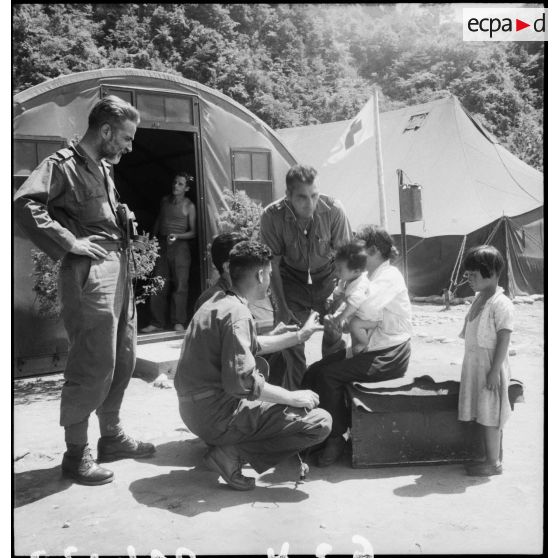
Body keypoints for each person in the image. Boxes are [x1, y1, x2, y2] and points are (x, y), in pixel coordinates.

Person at [14, 96, 155, 486]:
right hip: (90, 271)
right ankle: (76, 453)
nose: (129, 146)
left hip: (119, 266)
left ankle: (112, 437)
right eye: (125, 137)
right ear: (106, 131)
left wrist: (122, 213)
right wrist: (69, 242)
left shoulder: (104, 168)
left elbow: (96, 212)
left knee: (123, 357)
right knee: (92, 361)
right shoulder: (63, 165)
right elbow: (24, 203)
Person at [174, 241, 332, 491]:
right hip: (214, 416)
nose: (270, 279)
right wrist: (292, 397)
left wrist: (299, 336)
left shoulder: (218, 301)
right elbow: (243, 381)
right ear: (260, 274)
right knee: (319, 422)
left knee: (266, 373)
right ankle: (230, 454)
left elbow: (251, 345)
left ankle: (229, 446)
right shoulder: (237, 313)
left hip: (196, 409)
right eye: (269, 273)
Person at [302, 225, 412, 467]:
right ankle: (315, 431)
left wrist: (344, 307)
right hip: (372, 347)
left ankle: (336, 438)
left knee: (329, 376)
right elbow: (351, 314)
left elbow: (366, 309)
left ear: (372, 251)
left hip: (389, 353)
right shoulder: (366, 277)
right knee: (314, 372)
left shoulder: (389, 276)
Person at [260, 164, 352, 388]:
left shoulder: (333, 210)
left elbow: (346, 257)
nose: (309, 203)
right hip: (290, 281)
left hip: (329, 278)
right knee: (291, 344)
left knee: (334, 338)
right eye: (302, 197)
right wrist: (281, 306)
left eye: (314, 195)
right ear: (288, 195)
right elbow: (272, 263)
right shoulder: (272, 216)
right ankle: (296, 403)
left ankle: (332, 396)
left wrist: (341, 295)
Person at [194, 232, 300, 388]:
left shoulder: (236, 294)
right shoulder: (217, 299)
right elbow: (230, 355)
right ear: (228, 267)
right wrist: (300, 336)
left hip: (227, 375)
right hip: (219, 385)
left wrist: (272, 335)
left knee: (280, 354)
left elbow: (237, 343)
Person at [458, 245, 513, 477]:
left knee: (490, 414)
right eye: (467, 274)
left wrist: (494, 371)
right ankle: (487, 456)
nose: (469, 279)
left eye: (473, 274)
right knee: (481, 412)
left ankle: (493, 462)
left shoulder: (501, 304)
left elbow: (504, 338)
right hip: (474, 365)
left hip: (490, 365)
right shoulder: (479, 299)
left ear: (490, 271)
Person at [141, 172, 197, 333]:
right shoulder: (165, 201)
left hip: (180, 248)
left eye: (180, 184)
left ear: (186, 188)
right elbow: (159, 220)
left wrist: (178, 236)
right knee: (158, 283)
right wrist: (152, 239)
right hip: (162, 246)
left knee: (180, 285)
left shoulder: (189, 206)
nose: (175, 186)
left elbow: (194, 232)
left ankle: (178, 321)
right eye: (175, 182)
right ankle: (156, 322)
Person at [325, 240, 379, 356]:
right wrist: (332, 297)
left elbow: (353, 305)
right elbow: (339, 292)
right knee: (343, 323)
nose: (336, 272)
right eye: (336, 268)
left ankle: (364, 344)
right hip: (356, 313)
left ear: (356, 271)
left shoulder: (360, 285)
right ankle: (350, 353)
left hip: (368, 319)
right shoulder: (346, 279)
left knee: (354, 326)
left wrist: (341, 317)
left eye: (340, 270)